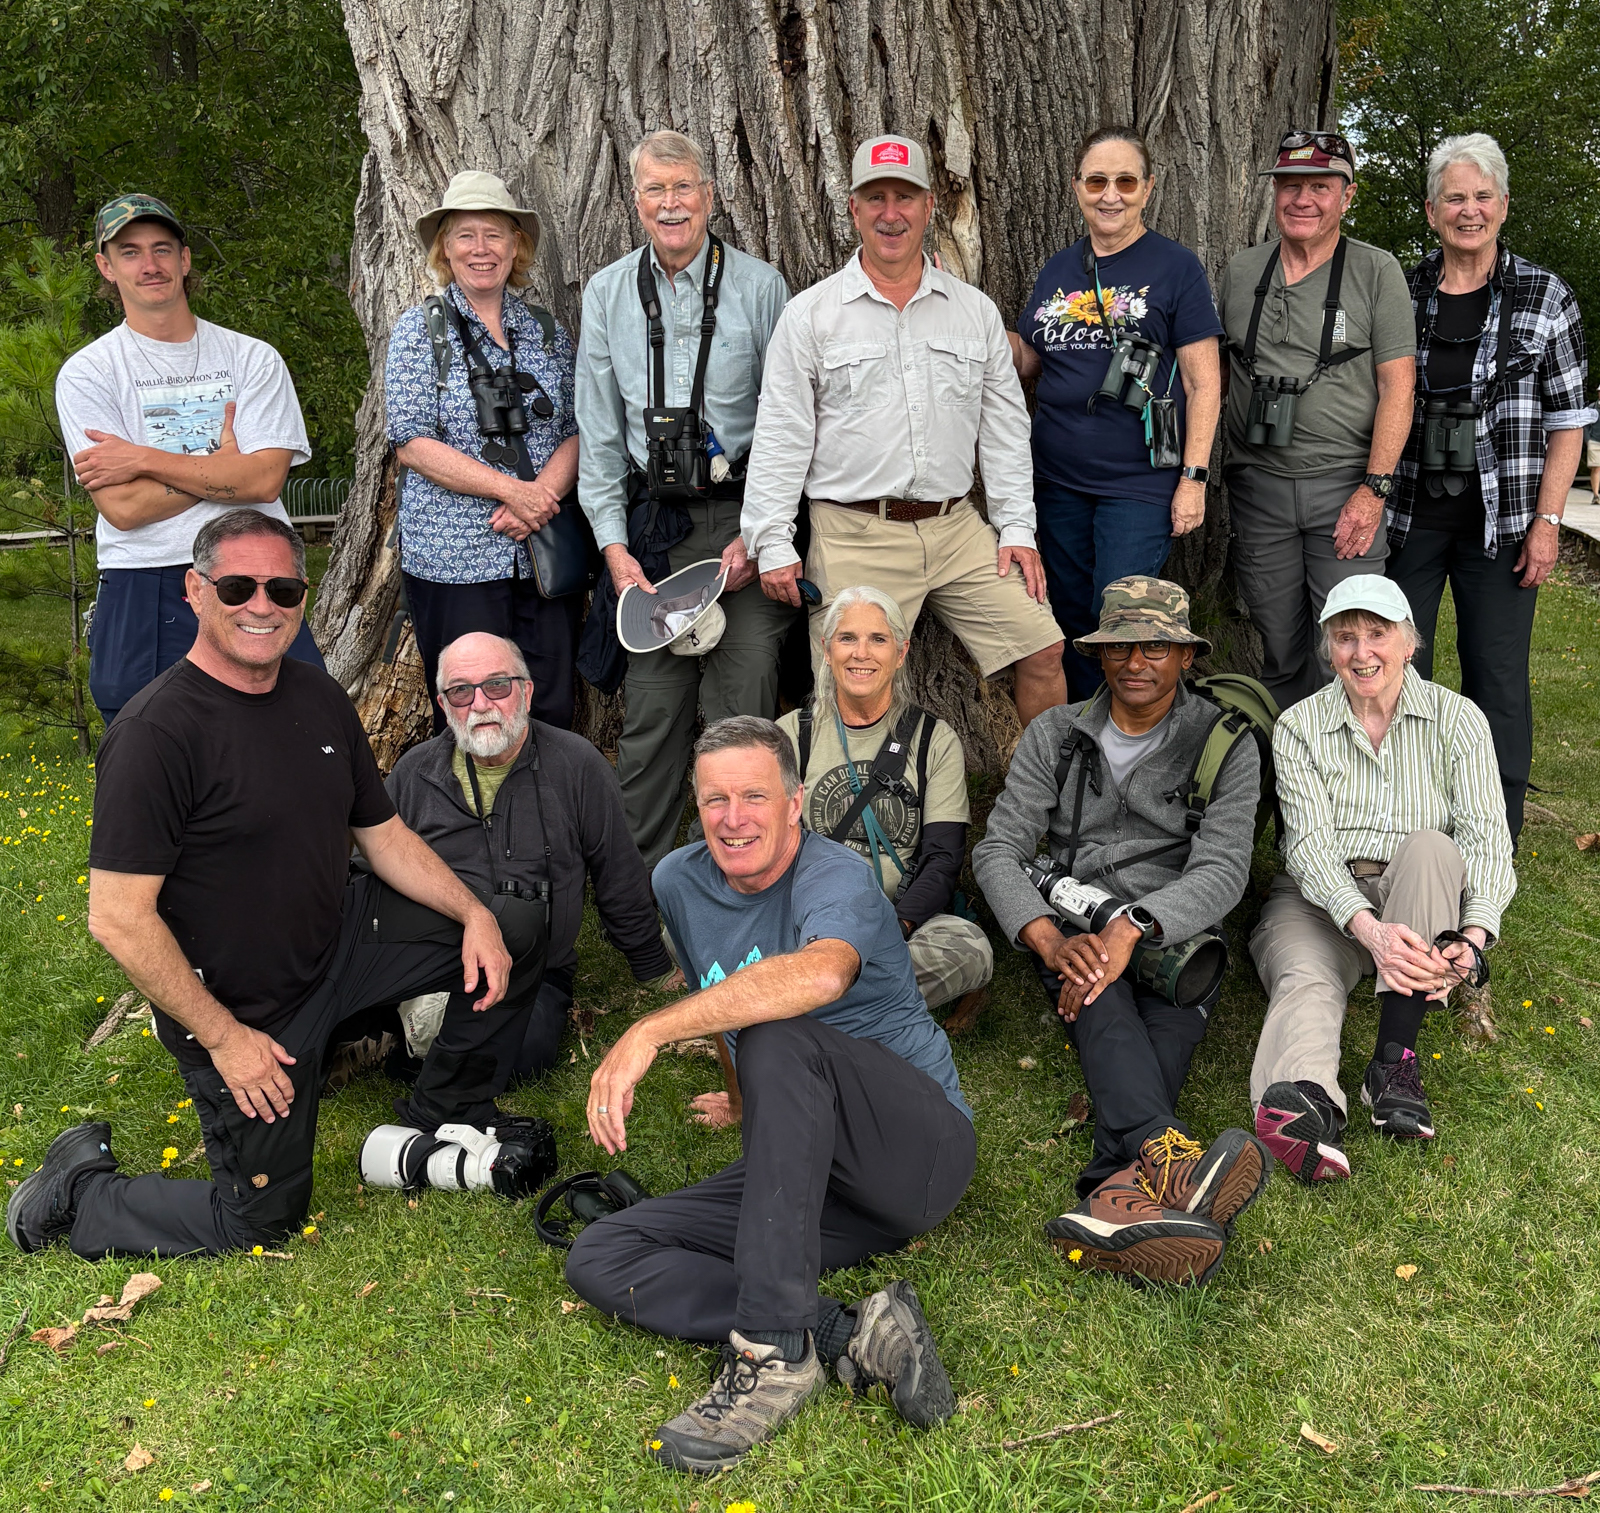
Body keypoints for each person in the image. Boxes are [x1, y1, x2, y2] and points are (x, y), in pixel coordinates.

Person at [7, 510, 545, 1259]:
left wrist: (473, 914)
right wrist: (227, 1039)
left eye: (283, 588)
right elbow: (118, 918)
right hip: (245, 1009)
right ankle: (79, 1191)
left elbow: (382, 834)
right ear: (195, 591)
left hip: (340, 945)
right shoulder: (155, 733)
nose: (263, 604)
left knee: (512, 921)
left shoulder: (317, 696)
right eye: (237, 586)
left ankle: (443, 1108)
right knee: (259, 1221)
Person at [565, 717, 974, 1473]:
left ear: (794, 803)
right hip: (807, 1176)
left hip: (916, 1153)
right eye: (714, 799)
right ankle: (844, 1331)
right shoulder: (678, 880)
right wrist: (747, 1103)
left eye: (753, 795)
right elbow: (725, 1003)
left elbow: (815, 978)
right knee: (603, 1251)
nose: (732, 817)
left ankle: (773, 1353)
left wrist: (649, 1031)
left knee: (778, 1032)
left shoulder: (836, 874)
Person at [972, 576, 1266, 1286]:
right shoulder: (1055, 732)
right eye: (1121, 646)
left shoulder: (1227, 745)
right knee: (1098, 993)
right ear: (1100, 656)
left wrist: (1136, 925)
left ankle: (1113, 1191)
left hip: (1177, 941)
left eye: (1157, 646)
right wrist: (1047, 939)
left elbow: (1225, 871)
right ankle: (1166, 1165)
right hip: (1077, 928)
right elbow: (996, 849)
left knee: (1146, 1032)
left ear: (1186, 657)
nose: (1137, 661)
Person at [743, 133, 1068, 727]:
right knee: (852, 689)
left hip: (957, 530)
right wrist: (770, 541)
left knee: (1042, 647)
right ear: (854, 209)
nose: (891, 214)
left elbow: (1002, 427)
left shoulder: (974, 311)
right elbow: (781, 434)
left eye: (905, 197)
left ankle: (1047, 809)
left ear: (928, 206)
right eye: (876, 198)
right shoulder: (811, 315)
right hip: (855, 534)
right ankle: (843, 813)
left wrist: (1017, 527)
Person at [575, 130, 794, 869]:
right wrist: (613, 550)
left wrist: (761, 534)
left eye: (683, 187)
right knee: (652, 710)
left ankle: (745, 872)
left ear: (710, 194)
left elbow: (791, 422)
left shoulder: (761, 287)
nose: (671, 203)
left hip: (740, 522)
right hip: (653, 531)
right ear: (635, 202)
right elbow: (599, 437)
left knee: (746, 695)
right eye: (655, 190)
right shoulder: (607, 293)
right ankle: (633, 890)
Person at [1250, 576, 1516, 1181]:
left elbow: (1485, 837)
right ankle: (1303, 1105)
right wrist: (1369, 930)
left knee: (1430, 848)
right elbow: (1309, 845)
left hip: (1420, 891)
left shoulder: (1459, 718)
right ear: (1328, 648)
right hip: (1322, 897)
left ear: (1408, 643)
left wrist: (1472, 939)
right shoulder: (1298, 726)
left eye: (1378, 634)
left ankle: (1393, 1061)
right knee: (1305, 978)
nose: (1362, 652)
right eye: (1346, 638)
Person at [1388, 133, 1595, 843]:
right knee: (1397, 668)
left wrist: (1547, 521)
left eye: (1481, 197)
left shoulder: (1547, 295)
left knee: (1496, 682)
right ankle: (1404, 817)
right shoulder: (1403, 292)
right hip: (1409, 515)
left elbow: (1569, 423)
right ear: (1430, 210)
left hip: (1502, 526)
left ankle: (1492, 833)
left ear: (1503, 205)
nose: (1468, 211)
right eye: (1454, 197)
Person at [57, 193, 323, 726]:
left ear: (185, 259)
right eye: (129, 252)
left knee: (294, 729)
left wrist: (142, 458)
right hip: (145, 578)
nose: (149, 265)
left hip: (257, 569)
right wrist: (227, 470)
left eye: (162, 248)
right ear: (106, 267)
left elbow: (266, 479)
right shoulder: (89, 374)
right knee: (149, 740)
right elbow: (126, 509)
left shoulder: (252, 358)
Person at [383, 632, 673, 1082]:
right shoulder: (414, 772)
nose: (480, 704)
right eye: (461, 691)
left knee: (524, 1056)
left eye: (497, 685)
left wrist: (651, 964)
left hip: (534, 970)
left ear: (527, 690)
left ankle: (406, 1048)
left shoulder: (577, 764)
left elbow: (617, 870)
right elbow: (374, 868)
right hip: (434, 957)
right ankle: (408, 1035)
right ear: (443, 705)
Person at [1011, 127, 1224, 699]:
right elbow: (1031, 359)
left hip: (1139, 483)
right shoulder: (1060, 268)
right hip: (1057, 481)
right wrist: (972, 321)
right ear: (1077, 188)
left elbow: (1205, 384)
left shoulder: (1176, 267)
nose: (1111, 194)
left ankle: (1130, 736)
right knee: (1068, 611)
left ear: (1147, 189)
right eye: (1097, 181)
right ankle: (1085, 732)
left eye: (1125, 181)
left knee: (1120, 614)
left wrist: (1194, 480)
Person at [1217, 130, 1417, 707]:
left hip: (1345, 491)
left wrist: (1373, 490)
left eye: (1319, 187)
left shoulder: (1377, 272)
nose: (1302, 199)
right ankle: (1290, 784)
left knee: (1354, 652)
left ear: (1347, 197)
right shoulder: (1242, 271)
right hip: (1259, 491)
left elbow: (1397, 388)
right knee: (1278, 648)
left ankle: (1357, 786)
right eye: (1289, 185)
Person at [385, 171, 584, 733]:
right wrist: (512, 492)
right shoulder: (420, 332)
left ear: (515, 245)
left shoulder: (546, 331)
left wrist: (539, 498)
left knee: (548, 705)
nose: (481, 249)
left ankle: (547, 816)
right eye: (465, 235)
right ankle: (477, 819)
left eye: (494, 234)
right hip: (456, 561)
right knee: (472, 710)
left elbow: (578, 428)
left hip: (541, 554)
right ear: (444, 248)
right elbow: (413, 442)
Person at [778, 585, 992, 1027]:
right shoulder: (789, 736)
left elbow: (942, 859)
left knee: (969, 947)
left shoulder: (934, 739)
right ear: (826, 649)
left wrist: (895, 928)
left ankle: (788, 1004)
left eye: (878, 639)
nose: (862, 653)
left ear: (900, 652)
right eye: (847, 638)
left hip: (896, 926)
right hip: (806, 918)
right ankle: (858, 1008)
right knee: (693, 922)